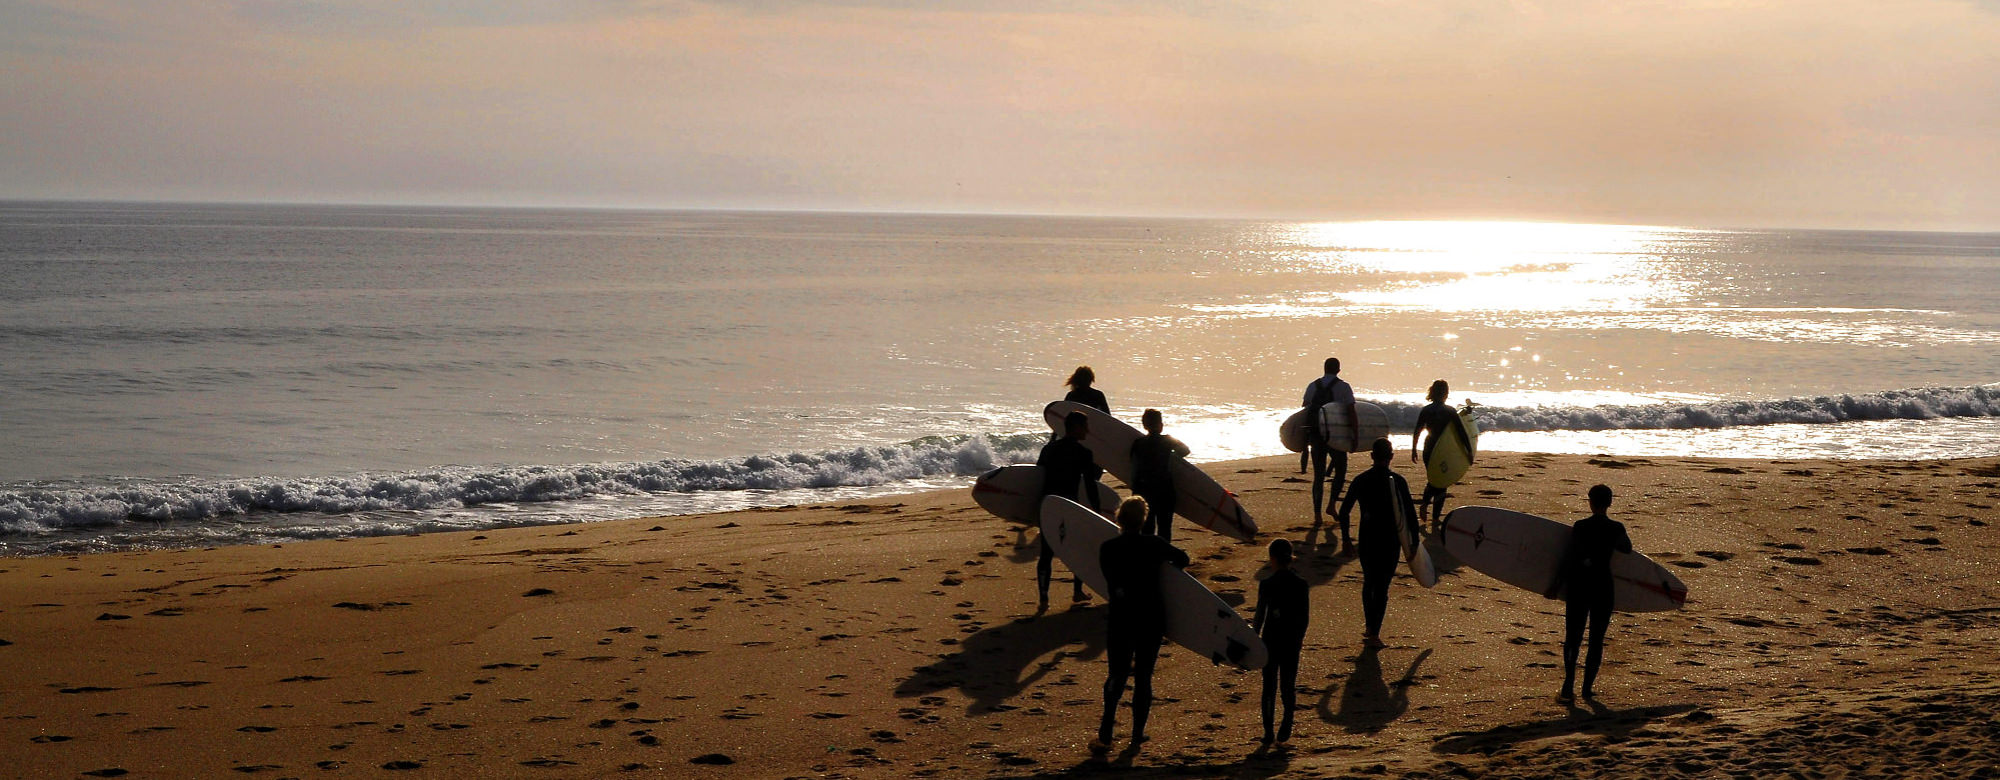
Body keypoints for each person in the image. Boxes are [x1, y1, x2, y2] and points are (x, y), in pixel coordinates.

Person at [1092, 497, 1190, 754]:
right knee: (1144, 676)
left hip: (1121, 616)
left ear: (1119, 518)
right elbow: (1183, 559)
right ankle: (1136, 735)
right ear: (1143, 519)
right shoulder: (1154, 544)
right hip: (1150, 617)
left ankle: (1106, 730)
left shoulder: (1108, 548)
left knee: (1116, 673)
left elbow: (1110, 580)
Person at [1547, 484, 1634, 701]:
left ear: (1590, 502)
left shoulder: (1581, 526)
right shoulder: (1616, 528)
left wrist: (1556, 584)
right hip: (1603, 586)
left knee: (1573, 638)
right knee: (1596, 639)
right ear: (1610, 503)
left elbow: (1569, 557)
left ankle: (1568, 685)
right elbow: (1627, 548)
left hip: (1579, 585)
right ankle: (1587, 689)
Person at [1336, 438, 1418, 647]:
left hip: (1368, 538)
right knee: (1382, 587)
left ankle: (1369, 627)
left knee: (1369, 581)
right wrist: (1414, 543)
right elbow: (1409, 515)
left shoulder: (1361, 480)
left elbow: (1344, 512)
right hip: (1390, 540)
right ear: (1391, 457)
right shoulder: (1398, 481)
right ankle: (1374, 634)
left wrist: (1345, 539)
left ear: (1372, 456)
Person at [1037, 411, 1099, 607]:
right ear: (1076, 427)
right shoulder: (1084, 453)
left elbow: (1036, 475)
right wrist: (1096, 513)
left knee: (1046, 552)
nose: (1088, 431)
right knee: (1077, 551)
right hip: (1069, 506)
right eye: (1085, 426)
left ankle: (1044, 598)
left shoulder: (1049, 449)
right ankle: (1077, 592)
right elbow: (1090, 486)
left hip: (1047, 504)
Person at [1253, 538, 1309, 745]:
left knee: (1269, 686)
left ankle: (1268, 732)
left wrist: (1253, 639)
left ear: (1272, 558)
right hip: (1291, 640)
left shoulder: (1267, 584)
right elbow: (1304, 618)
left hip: (1270, 639)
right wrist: (1299, 640)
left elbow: (1259, 617)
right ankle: (1287, 721)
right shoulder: (1301, 584)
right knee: (1288, 685)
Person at [1304, 358, 1356, 539]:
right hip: (1336, 437)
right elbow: (1351, 412)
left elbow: (1305, 409)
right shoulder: (1344, 387)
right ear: (1339, 370)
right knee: (1341, 470)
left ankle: (1317, 515)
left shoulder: (1312, 386)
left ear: (1324, 368)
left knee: (1318, 475)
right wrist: (1354, 435)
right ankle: (1332, 504)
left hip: (1316, 436)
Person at [1128, 409, 1190, 543]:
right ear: (1161, 424)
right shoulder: (1168, 440)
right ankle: (1164, 558)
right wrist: (1173, 454)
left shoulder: (1138, 443)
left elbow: (1134, 469)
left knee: (1146, 529)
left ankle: (1148, 558)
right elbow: (1185, 450)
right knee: (1164, 528)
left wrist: (1134, 492)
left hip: (1144, 491)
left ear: (1144, 425)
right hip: (1165, 491)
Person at [1410, 380, 1455, 527]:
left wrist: (1414, 449)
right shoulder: (1450, 411)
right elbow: (1461, 433)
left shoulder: (1426, 410)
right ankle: (1434, 517)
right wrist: (1467, 452)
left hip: (1429, 448)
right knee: (1441, 483)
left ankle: (1425, 505)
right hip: (1443, 450)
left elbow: (1417, 430)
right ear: (1446, 393)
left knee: (1434, 479)